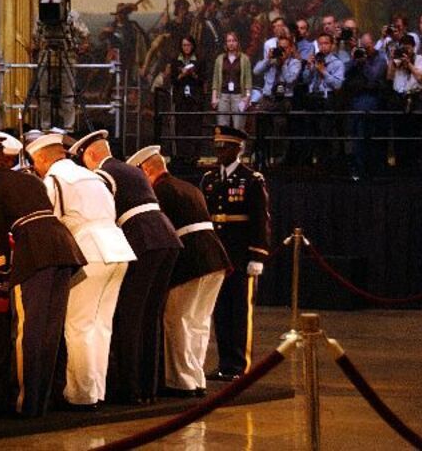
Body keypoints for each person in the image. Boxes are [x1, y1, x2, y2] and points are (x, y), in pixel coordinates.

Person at [0, 137, 86, 417]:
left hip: (34, 254)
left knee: (28, 332)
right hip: (63, 248)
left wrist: (1, 274)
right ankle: (47, 398)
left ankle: (26, 402)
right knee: (51, 330)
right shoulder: (32, 179)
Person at [69, 131, 181, 405]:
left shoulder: (103, 175)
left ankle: (129, 389)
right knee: (150, 314)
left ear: (91, 154)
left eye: (84, 159)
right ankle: (149, 386)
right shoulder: (132, 170)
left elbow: (104, 213)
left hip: (141, 239)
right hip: (166, 236)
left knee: (130, 316)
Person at [26, 133, 135, 410]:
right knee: (101, 325)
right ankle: (97, 391)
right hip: (118, 249)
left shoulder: (54, 179)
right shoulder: (95, 177)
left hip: (89, 251)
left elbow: (51, 219)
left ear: (41, 158)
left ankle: (81, 395)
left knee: (79, 325)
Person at [127, 146, 230, 397]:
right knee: (199, 321)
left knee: (177, 320)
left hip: (191, 262)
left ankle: (181, 381)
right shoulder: (189, 186)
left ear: (146, 170)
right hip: (215, 259)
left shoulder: (159, 191)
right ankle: (196, 377)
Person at [201, 126, 271, 382]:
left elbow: (260, 220)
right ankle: (224, 363)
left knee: (239, 312)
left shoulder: (251, 179)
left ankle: (239, 365)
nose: (220, 152)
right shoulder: (210, 179)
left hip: (241, 254)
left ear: (238, 149)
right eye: (218, 147)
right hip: (219, 255)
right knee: (220, 311)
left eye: (226, 147)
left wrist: (257, 255)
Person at [253, 35, 302, 166]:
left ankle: (279, 160)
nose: (283, 51)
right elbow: (256, 71)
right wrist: (268, 60)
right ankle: (262, 157)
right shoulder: (271, 61)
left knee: (280, 129)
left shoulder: (295, 63)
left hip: (283, 100)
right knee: (260, 127)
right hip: (267, 98)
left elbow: (290, 80)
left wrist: (283, 64)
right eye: (280, 48)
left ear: (291, 49)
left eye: (285, 48)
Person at [344, 33, 387, 179]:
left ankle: (363, 168)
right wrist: (355, 59)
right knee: (353, 133)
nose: (365, 50)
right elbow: (345, 72)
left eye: (367, 47)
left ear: (373, 44)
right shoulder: (357, 56)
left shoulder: (380, 59)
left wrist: (365, 62)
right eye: (363, 47)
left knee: (363, 134)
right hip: (354, 99)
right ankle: (354, 166)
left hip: (371, 99)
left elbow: (374, 76)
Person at [299, 32, 345, 167]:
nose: (323, 46)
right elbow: (306, 80)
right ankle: (310, 164)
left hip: (326, 99)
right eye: (321, 44)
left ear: (331, 45)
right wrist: (309, 67)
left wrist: (324, 71)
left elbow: (337, 85)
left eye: (326, 43)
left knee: (324, 133)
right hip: (312, 98)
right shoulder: (315, 60)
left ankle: (325, 164)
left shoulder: (337, 63)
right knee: (310, 133)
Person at [385, 33, 422, 170]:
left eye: (408, 48)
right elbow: (389, 77)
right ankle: (400, 166)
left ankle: (416, 165)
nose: (406, 51)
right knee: (399, 133)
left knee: (414, 134)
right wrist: (392, 59)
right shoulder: (397, 60)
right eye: (404, 48)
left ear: (414, 48)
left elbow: (420, 78)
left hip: (415, 98)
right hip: (399, 99)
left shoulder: (419, 59)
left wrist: (409, 64)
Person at [170, 35, 206, 164]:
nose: (186, 48)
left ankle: (194, 155)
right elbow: (173, 80)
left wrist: (193, 74)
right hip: (181, 97)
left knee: (194, 126)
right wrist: (182, 75)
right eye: (184, 45)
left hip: (195, 97)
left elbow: (203, 80)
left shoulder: (200, 60)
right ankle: (181, 155)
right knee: (181, 127)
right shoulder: (175, 61)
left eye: (189, 45)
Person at [211, 32, 252, 131]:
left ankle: (239, 147)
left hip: (238, 96)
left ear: (237, 43)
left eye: (233, 41)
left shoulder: (244, 59)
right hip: (223, 96)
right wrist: (214, 97)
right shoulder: (220, 59)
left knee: (238, 127)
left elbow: (248, 81)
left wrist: (247, 97)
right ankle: (224, 147)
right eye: (229, 41)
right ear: (225, 43)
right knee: (222, 127)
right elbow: (215, 80)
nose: (231, 43)